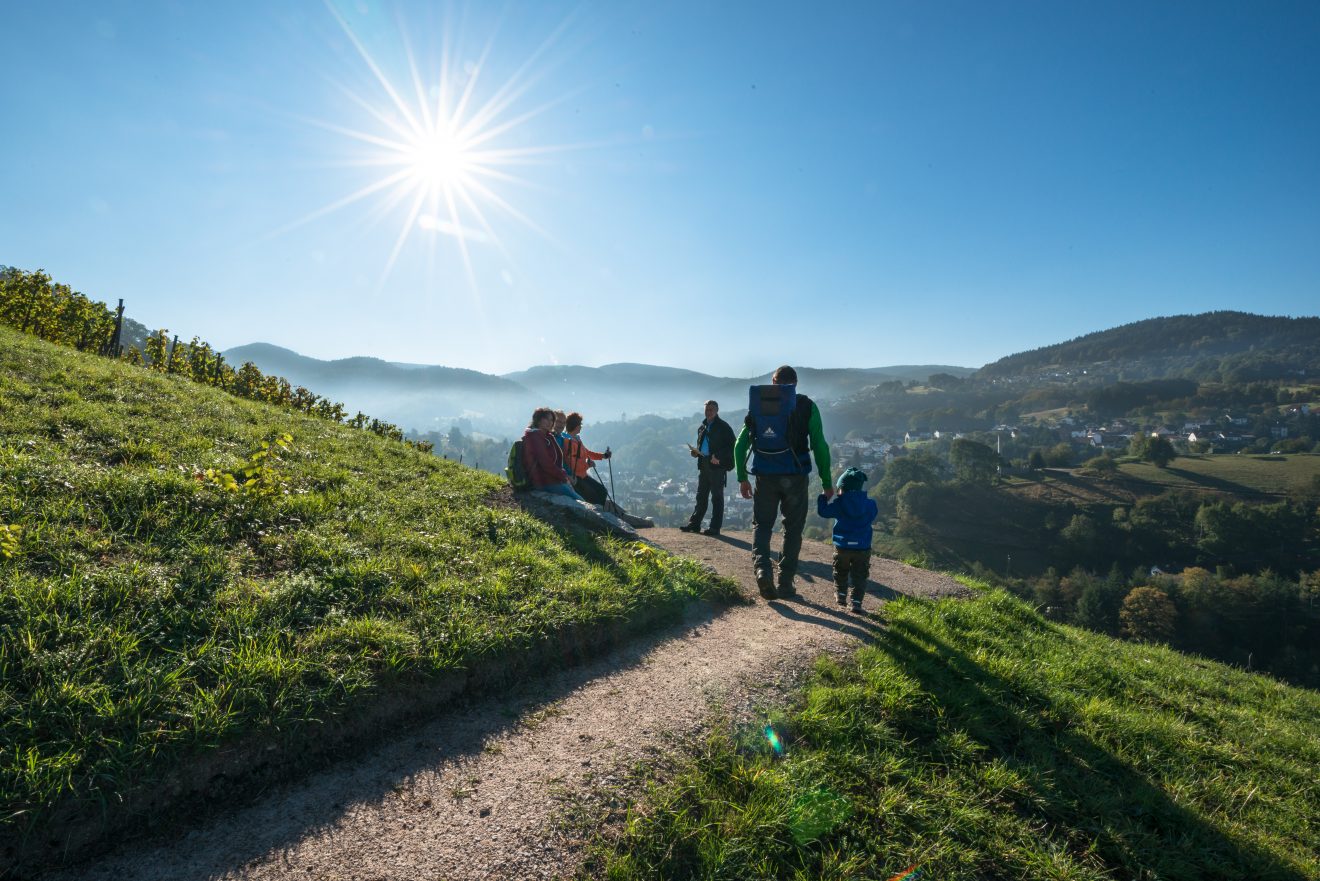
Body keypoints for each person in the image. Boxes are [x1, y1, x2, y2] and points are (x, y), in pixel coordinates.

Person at [734, 365, 833, 599]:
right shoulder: (807, 406)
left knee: (762, 525)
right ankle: (786, 583)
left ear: (773, 382)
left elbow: (739, 445)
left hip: (765, 475)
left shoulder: (759, 404)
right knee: (793, 529)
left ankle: (762, 570)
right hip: (795, 476)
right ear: (795, 383)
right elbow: (819, 445)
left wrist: (742, 478)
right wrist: (826, 481)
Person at [817, 467, 879, 613]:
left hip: (842, 546)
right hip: (862, 547)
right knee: (860, 575)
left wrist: (823, 497)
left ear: (842, 488)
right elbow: (873, 515)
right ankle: (856, 602)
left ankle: (841, 596)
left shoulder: (839, 504)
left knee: (841, 571)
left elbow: (823, 512)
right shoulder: (870, 504)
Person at [680, 400, 736, 536]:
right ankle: (694, 524)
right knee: (701, 495)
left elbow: (732, 445)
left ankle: (714, 528)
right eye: (706, 409)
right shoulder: (702, 427)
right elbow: (703, 446)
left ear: (717, 411)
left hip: (717, 466)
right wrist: (695, 452)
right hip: (704, 463)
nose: (708, 412)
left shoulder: (723, 427)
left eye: (711, 409)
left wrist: (718, 456)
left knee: (717, 497)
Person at [522, 407, 583, 499]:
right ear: (538, 420)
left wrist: (564, 477)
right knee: (579, 500)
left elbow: (558, 460)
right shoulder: (535, 437)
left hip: (553, 478)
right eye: (546, 419)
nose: (550, 422)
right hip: (543, 481)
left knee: (579, 497)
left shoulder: (548, 436)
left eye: (551, 420)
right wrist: (564, 477)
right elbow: (546, 464)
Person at [562, 412, 611, 504]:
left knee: (602, 491)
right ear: (576, 426)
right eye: (580, 424)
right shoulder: (568, 442)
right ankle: (597, 511)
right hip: (576, 478)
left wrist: (603, 456)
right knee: (595, 495)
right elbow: (572, 465)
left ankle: (598, 510)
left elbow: (587, 453)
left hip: (582, 475)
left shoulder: (576, 439)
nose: (581, 427)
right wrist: (588, 465)